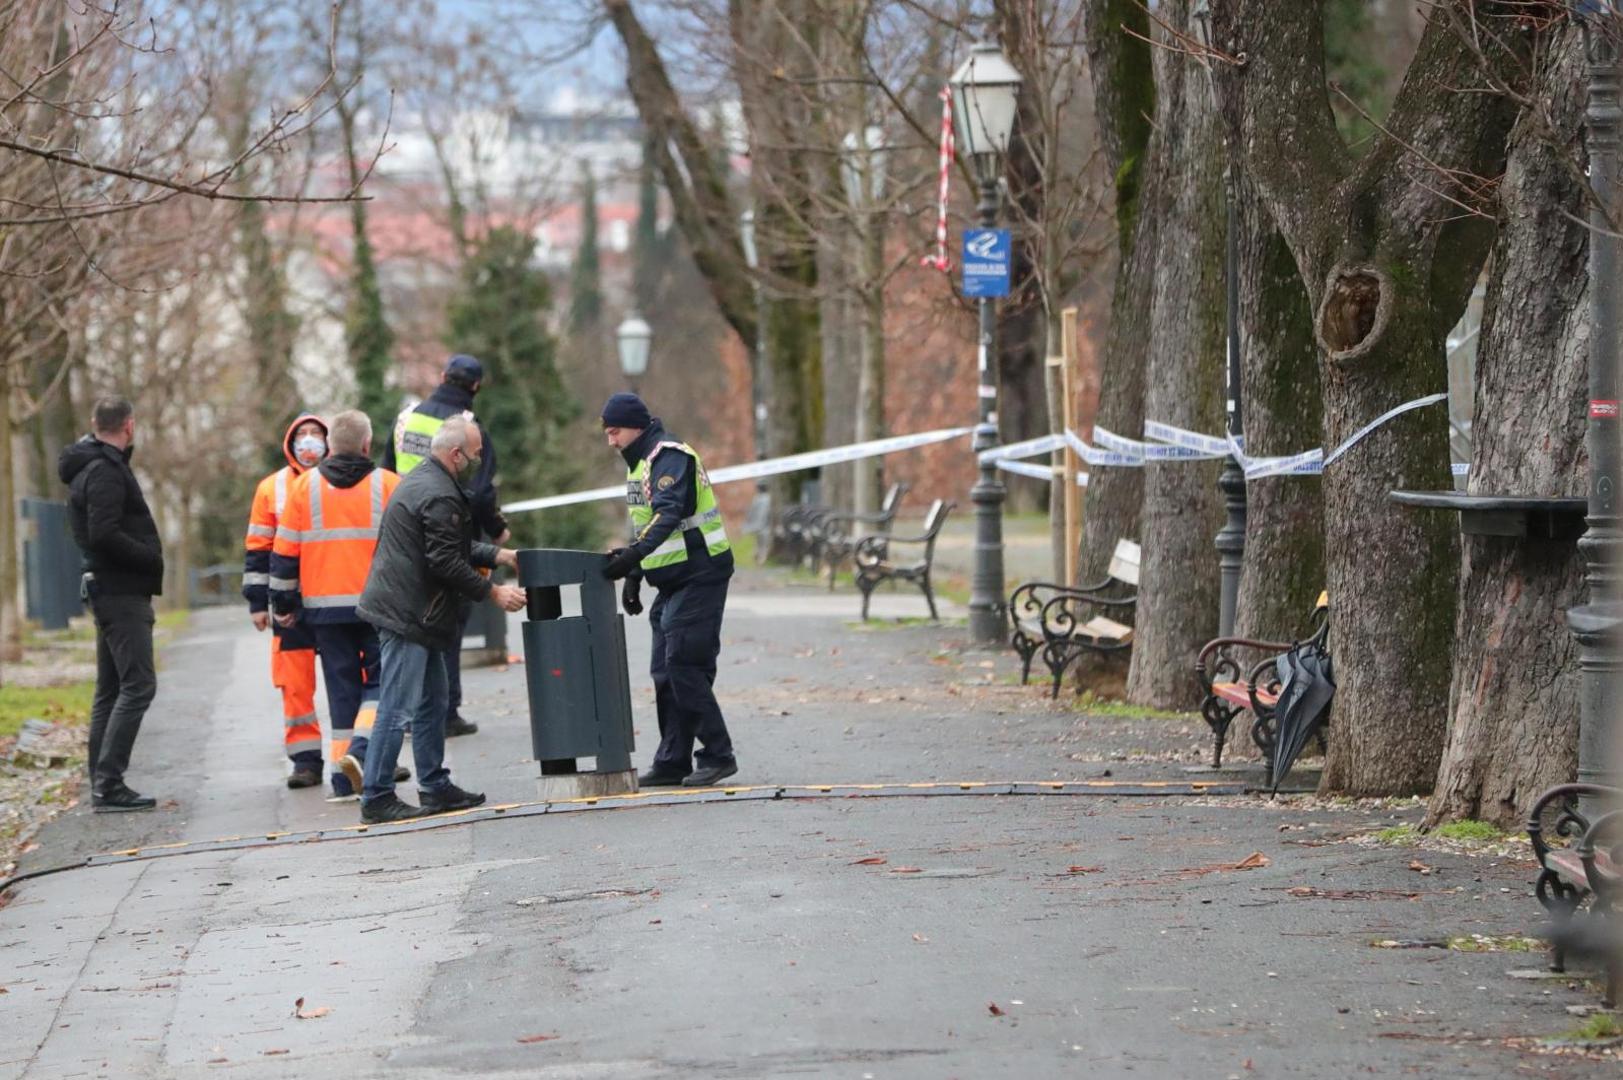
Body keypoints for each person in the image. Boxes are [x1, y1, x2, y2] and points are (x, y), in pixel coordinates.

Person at [356, 417, 525, 823]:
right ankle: (377, 796)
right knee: (396, 708)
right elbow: (445, 560)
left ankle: (435, 786)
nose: (478, 460)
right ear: (455, 454)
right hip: (408, 614)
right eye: (476, 454)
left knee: (433, 702)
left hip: (416, 612)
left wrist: (497, 555)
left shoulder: (425, 481)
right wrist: (494, 592)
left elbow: (451, 544)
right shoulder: (438, 493)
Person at [599, 392, 739, 788]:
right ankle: (672, 760)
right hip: (672, 580)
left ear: (636, 426)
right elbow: (643, 522)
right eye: (607, 433)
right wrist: (635, 575)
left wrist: (632, 558)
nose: (611, 441)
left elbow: (668, 513)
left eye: (615, 432)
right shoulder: (640, 465)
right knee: (664, 670)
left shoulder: (670, 456)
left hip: (701, 573)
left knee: (684, 664)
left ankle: (717, 754)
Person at [270, 410, 407, 800]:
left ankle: (343, 779)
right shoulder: (389, 485)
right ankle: (360, 751)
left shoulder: (304, 488)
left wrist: (283, 603)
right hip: (379, 605)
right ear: (367, 444)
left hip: (323, 611)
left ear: (330, 446)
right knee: (383, 683)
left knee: (342, 692)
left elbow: (283, 554)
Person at [383, 353, 508, 739]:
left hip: (405, 534)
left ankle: (414, 713)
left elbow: (386, 474)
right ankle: (444, 711)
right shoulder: (470, 428)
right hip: (452, 530)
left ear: (441, 377)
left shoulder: (405, 419)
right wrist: (497, 531)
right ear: (475, 387)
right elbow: (482, 489)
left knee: (412, 624)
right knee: (448, 622)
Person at [58, 398, 164, 812]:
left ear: (93, 423)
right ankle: (109, 782)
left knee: (112, 688)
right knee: (139, 684)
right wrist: (149, 557)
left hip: (106, 589)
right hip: (119, 592)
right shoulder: (105, 470)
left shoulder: (91, 466)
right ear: (130, 426)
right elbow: (103, 533)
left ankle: (101, 783)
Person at [243, 413, 328, 789]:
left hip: (337, 597)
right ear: (290, 442)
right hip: (288, 604)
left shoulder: (348, 481)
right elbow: (258, 549)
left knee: (357, 677)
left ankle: (364, 753)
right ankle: (306, 761)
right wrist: (257, 604)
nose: (309, 442)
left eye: (316, 435)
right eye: (303, 435)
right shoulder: (271, 489)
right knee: (295, 686)